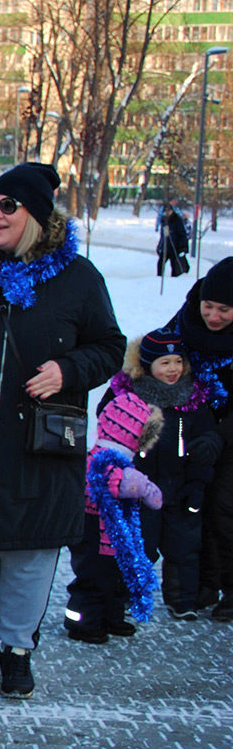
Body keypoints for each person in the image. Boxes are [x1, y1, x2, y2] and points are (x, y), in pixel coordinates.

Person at [0, 162, 124, 697]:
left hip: (42, 440)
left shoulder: (78, 278)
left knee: (30, 550)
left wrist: (69, 371)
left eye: (8, 206)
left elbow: (110, 347)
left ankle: (17, 650)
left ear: (37, 217)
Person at [104, 331, 216, 620]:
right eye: (165, 362)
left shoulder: (193, 399)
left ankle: (182, 600)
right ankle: (128, 594)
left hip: (181, 487)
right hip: (140, 488)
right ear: (146, 365)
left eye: (178, 361)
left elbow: (204, 443)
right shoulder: (128, 396)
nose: (173, 369)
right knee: (140, 545)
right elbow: (110, 432)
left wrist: (198, 483)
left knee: (184, 548)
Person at [161, 257, 233, 621]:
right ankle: (203, 584)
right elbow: (157, 356)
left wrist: (220, 437)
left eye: (225, 309)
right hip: (194, 428)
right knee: (194, 505)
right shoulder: (186, 320)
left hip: (227, 431)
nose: (213, 316)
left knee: (225, 507)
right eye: (209, 306)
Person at [64, 393, 165, 641]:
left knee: (114, 575)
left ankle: (110, 617)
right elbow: (147, 495)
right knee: (93, 579)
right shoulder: (109, 464)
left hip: (110, 533)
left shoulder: (103, 459)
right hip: (95, 532)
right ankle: (81, 623)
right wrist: (146, 488)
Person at [157, 199, 190, 279]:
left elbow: (182, 234)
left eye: (168, 211)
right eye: (165, 211)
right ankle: (159, 278)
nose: (167, 213)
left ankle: (174, 279)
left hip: (175, 247)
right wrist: (160, 246)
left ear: (172, 211)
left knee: (175, 265)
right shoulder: (164, 220)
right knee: (160, 263)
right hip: (166, 247)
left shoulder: (177, 220)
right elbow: (163, 235)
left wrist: (182, 247)